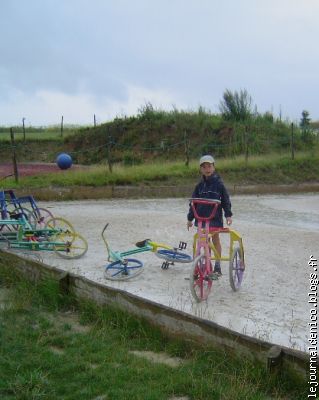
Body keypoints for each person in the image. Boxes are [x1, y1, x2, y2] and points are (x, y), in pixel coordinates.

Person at [187, 154, 232, 276]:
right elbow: (193, 203)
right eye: (204, 167)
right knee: (203, 241)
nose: (207, 169)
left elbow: (226, 200)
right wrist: (190, 218)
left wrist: (228, 215)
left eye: (209, 166)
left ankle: (217, 265)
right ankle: (204, 264)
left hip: (214, 218)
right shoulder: (199, 186)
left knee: (215, 239)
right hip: (201, 218)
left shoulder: (219, 184)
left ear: (213, 167)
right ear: (201, 169)